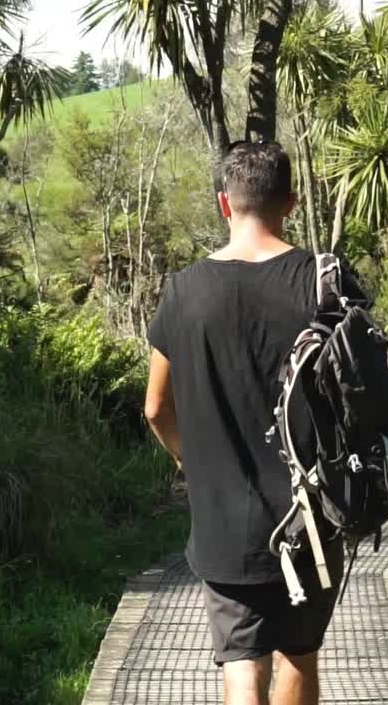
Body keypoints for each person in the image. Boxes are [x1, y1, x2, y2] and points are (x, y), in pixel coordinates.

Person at [144, 141, 362, 705]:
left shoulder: (182, 291)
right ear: (290, 201)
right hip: (313, 512)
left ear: (224, 203)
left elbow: (154, 408)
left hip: (220, 519)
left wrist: (189, 460)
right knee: (300, 654)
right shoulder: (325, 281)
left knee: (241, 664)